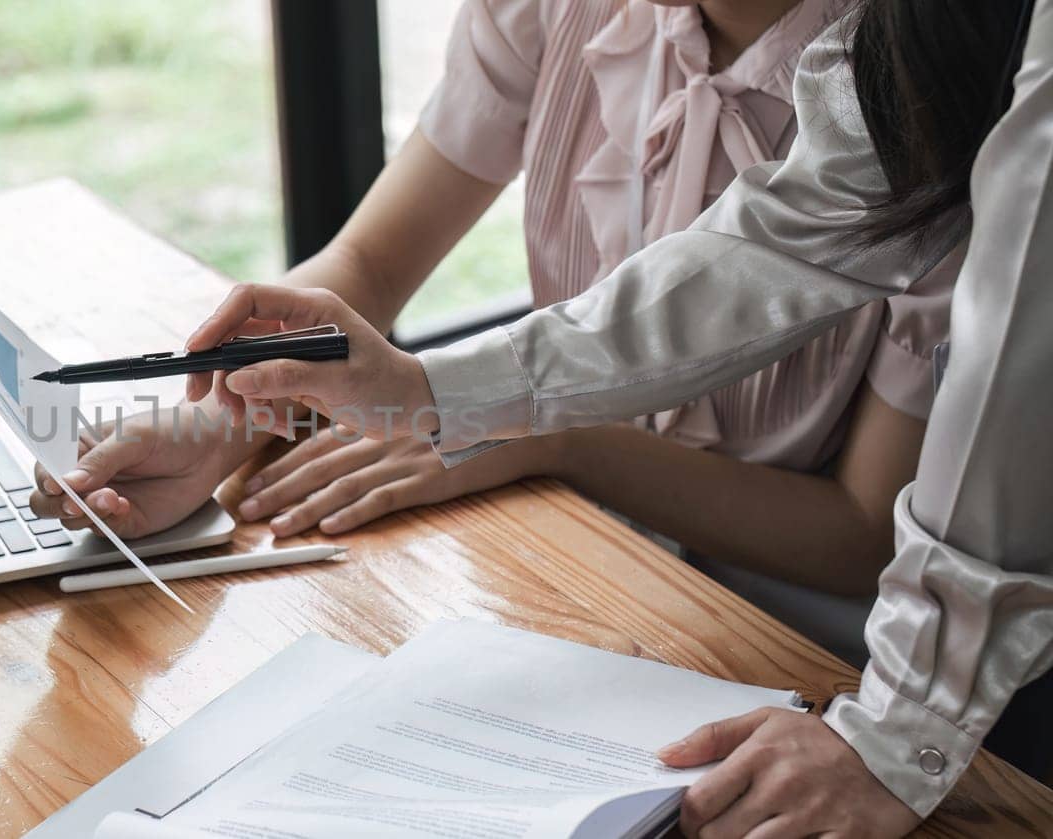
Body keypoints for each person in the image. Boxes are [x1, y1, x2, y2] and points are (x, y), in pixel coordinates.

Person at [118, 0, 1050, 835]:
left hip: (833, 637)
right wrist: (268, 416)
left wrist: (899, 739)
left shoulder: (950, 71)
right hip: (626, 595)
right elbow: (775, 245)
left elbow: (1008, 358)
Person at [34, 0, 960, 663]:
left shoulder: (933, 85)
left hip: (798, 627)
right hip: (562, 552)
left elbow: (861, 534)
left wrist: (535, 434)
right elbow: (367, 265)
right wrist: (214, 431)